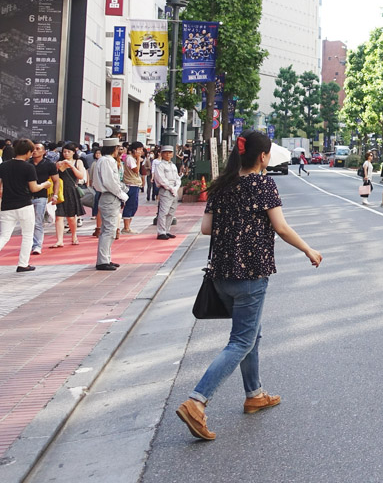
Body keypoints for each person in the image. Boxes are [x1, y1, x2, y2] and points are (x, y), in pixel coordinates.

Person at [174, 130, 322, 441]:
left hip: (220, 275)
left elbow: (205, 229)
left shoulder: (222, 184)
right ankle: (197, 401)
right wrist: (308, 249)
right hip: (251, 275)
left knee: (250, 333)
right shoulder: (264, 183)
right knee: (241, 341)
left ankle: (254, 394)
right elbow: (280, 227)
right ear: (263, 157)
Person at [0, 139, 53, 272]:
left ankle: (23, 264)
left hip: (7, 205)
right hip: (24, 204)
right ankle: (23, 264)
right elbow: (34, 188)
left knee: (4, 236)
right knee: (28, 234)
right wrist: (45, 185)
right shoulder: (29, 167)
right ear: (28, 152)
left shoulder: (4, 166)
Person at [91, 138, 128, 270]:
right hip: (109, 196)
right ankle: (102, 261)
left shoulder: (104, 160)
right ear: (114, 148)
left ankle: (106, 258)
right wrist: (122, 195)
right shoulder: (107, 161)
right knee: (109, 230)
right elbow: (110, 182)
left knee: (109, 229)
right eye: (118, 148)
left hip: (109, 196)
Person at [52, 142, 86, 247]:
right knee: (59, 216)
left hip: (71, 190)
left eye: (68, 151)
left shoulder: (78, 162)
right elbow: (54, 177)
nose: (66, 153)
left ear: (73, 152)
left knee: (71, 217)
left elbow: (80, 176)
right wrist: (56, 167)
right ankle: (59, 240)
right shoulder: (58, 162)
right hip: (60, 190)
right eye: (64, 151)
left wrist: (71, 166)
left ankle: (74, 235)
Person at [29, 142, 59, 255]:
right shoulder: (28, 163)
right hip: (26, 196)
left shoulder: (49, 164)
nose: (34, 151)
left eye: (37, 149)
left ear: (44, 151)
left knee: (38, 221)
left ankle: (37, 245)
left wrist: (55, 195)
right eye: (33, 149)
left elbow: (56, 181)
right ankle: (29, 244)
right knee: (28, 222)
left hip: (41, 196)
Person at [153, 145, 182, 239]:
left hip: (174, 189)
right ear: (161, 154)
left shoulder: (173, 165)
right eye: (166, 152)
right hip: (165, 189)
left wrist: (176, 187)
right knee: (164, 211)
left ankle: (167, 229)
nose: (168, 154)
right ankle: (161, 231)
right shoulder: (160, 165)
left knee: (171, 212)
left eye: (170, 152)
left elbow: (177, 178)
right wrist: (170, 188)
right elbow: (161, 179)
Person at [121, 142, 144, 235]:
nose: (141, 152)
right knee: (130, 205)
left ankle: (128, 227)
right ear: (134, 150)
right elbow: (136, 170)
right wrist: (138, 159)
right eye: (140, 149)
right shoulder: (130, 158)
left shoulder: (131, 158)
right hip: (131, 184)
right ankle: (126, 227)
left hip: (135, 184)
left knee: (134, 205)